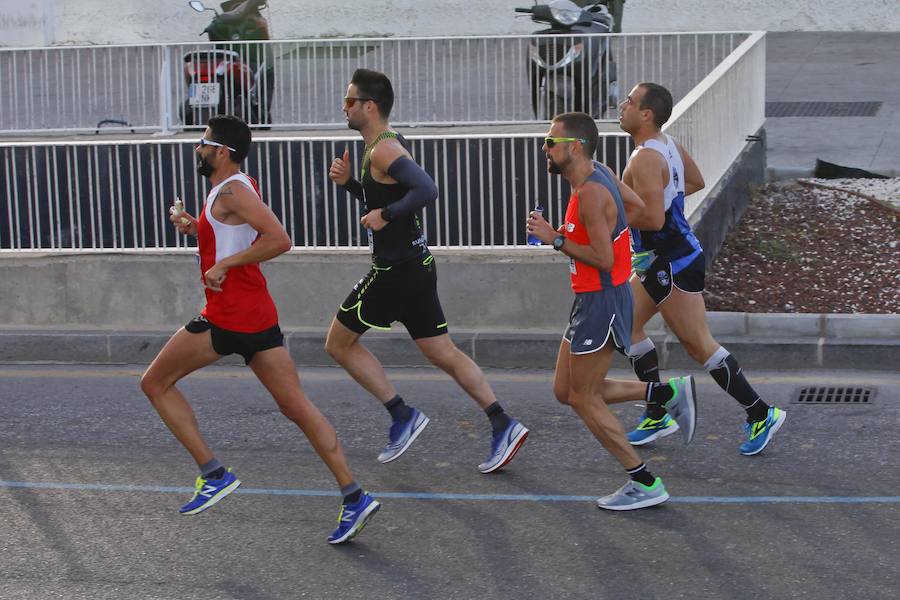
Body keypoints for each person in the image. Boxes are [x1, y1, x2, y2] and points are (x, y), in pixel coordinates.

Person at [139, 115, 378, 544]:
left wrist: (224, 265)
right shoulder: (235, 189)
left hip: (226, 316)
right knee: (298, 408)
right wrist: (198, 228)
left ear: (222, 151)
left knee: (155, 383)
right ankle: (354, 495)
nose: (197, 149)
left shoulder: (231, 190)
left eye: (202, 143)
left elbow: (280, 239)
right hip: (256, 318)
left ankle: (213, 473)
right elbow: (239, 235)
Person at [326, 68, 529, 474]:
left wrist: (385, 213)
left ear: (370, 106)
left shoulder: (384, 149)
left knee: (338, 344)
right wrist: (352, 185)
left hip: (394, 271)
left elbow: (426, 190)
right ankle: (503, 423)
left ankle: (402, 415)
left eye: (350, 101)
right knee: (443, 352)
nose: (344, 108)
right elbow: (390, 194)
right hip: (417, 266)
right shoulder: (384, 143)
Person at [526, 112, 697, 510]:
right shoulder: (599, 173)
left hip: (601, 300)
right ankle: (666, 392)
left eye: (551, 143)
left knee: (585, 399)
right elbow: (635, 205)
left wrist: (555, 239)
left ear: (575, 147)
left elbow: (602, 258)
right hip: (592, 298)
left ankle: (645, 482)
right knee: (566, 391)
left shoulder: (589, 194)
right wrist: (610, 231)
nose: (545, 150)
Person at [617, 83, 786, 455]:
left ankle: (761, 413)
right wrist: (662, 204)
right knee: (625, 327)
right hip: (660, 260)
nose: (622, 105)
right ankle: (657, 411)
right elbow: (693, 181)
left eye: (629, 101)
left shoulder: (644, 158)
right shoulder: (666, 143)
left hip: (670, 263)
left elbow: (652, 216)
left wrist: (613, 203)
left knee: (698, 345)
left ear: (646, 114)